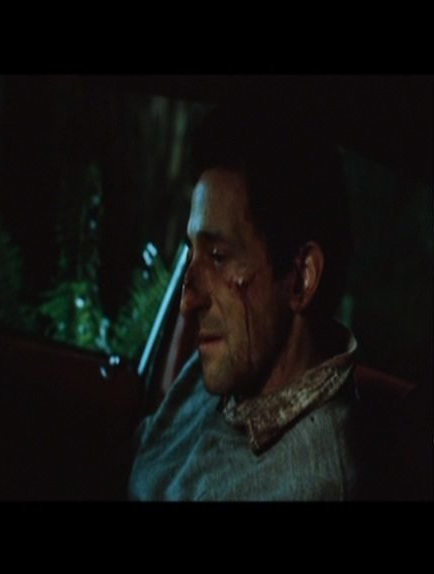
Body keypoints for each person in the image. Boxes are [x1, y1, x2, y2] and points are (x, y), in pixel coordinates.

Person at [129, 101, 368, 500]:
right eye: (192, 254)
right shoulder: (229, 366)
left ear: (301, 279)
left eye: (218, 257)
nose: (188, 301)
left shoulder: (308, 487)